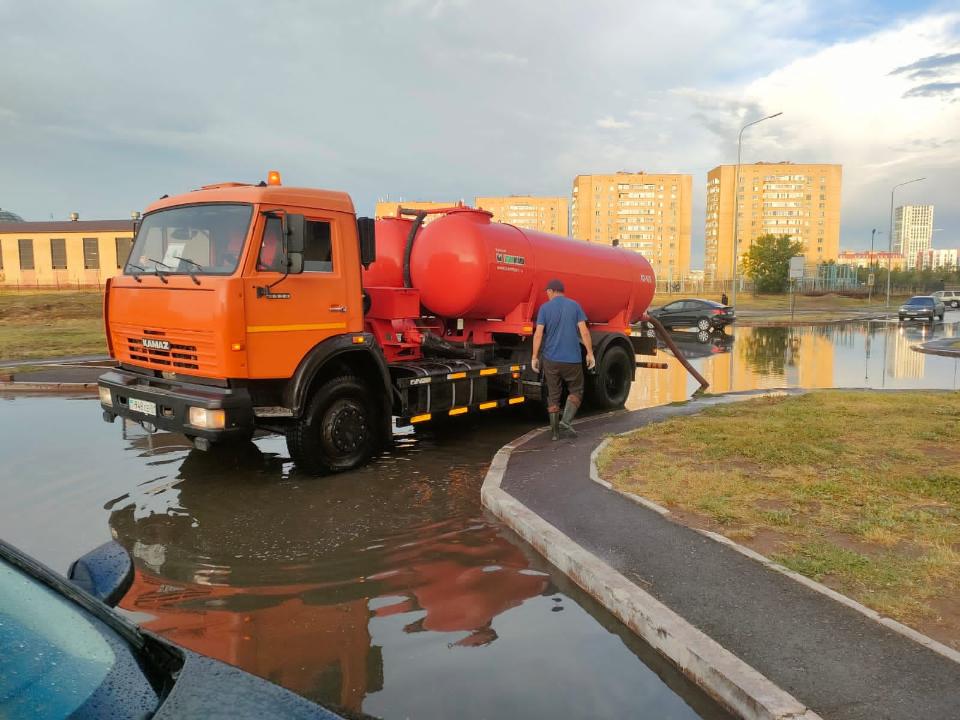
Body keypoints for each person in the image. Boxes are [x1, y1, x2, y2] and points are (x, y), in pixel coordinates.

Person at [531, 279, 595, 441]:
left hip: (550, 359)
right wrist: (590, 353)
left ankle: (554, 433)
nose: (547, 295)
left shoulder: (545, 309)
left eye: (547, 292)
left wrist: (534, 356)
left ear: (552, 291)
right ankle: (565, 422)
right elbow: (584, 332)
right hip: (571, 359)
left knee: (553, 395)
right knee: (576, 389)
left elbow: (538, 334)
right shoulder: (575, 306)